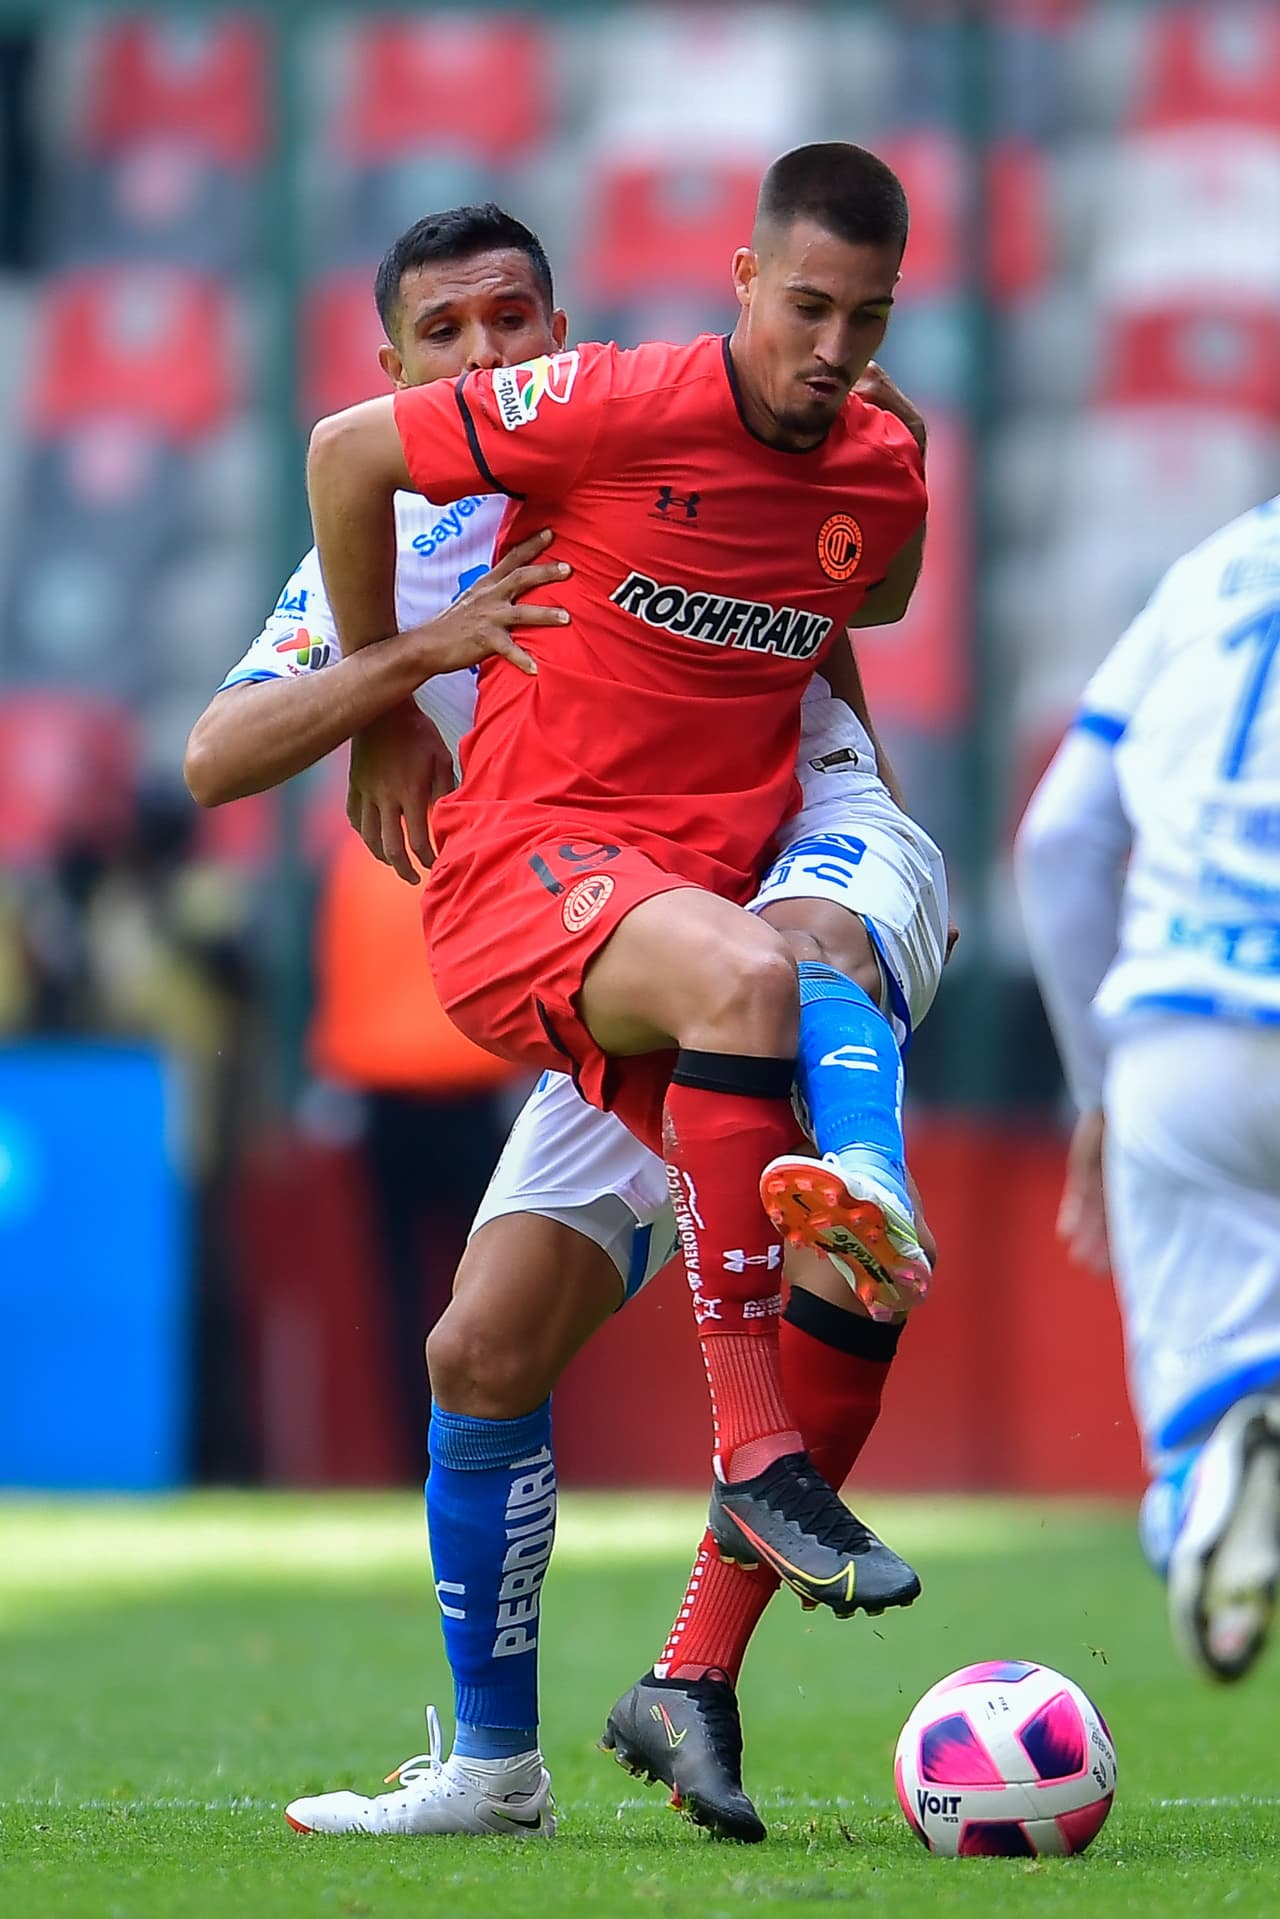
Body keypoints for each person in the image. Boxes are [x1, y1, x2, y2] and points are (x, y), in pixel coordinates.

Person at [189, 197, 948, 1840]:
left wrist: (877, 444)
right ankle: (500, 1762)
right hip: (613, 961)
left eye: (512, 319)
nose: (486, 352)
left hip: (761, 920)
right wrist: (399, 672)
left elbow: (837, 636)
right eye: (445, 335)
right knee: (479, 1344)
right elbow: (218, 753)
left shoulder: (650, 439)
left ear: (560, 330)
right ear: (395, 370)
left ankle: (726, 1579)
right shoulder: (390, 549)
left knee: (838, 1250)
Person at [1015, 493, 1280, 1685]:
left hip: (1184, 1030)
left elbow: (1058, 839)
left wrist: (1100, 1089)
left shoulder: (1210, 569)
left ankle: (1218, 1477)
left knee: (1205, 1409)